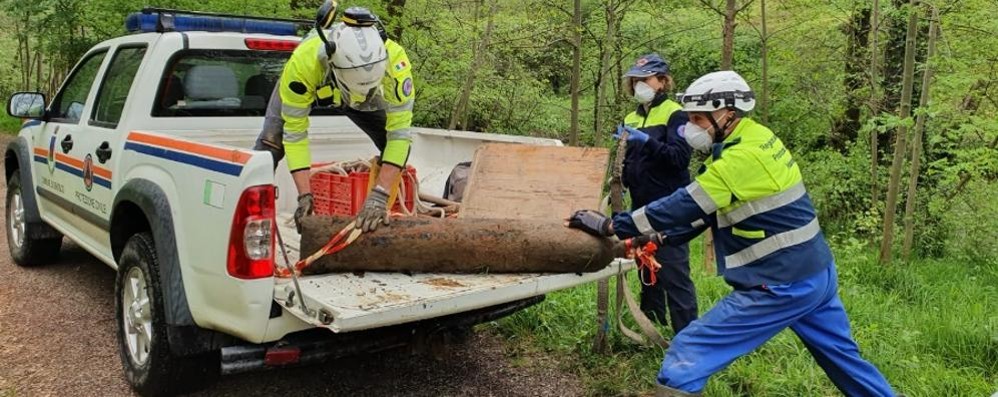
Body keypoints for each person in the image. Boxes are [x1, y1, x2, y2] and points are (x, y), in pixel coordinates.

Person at [568, 71, 897, 396]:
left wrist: (614, 225)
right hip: (816, 274)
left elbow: (686, 204)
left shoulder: (741, 158)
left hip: (781, 283)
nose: (689, 129)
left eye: (698, 119)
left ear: (728, 113)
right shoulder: (756, 138)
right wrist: (659, 239)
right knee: (847, 365)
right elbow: (713, 212)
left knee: (687, 354)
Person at [254, 2, 415, 233]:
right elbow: (295, 133)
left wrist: (379, 196)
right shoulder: (304, 64)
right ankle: (253, 224)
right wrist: (304, 195)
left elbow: (399, 134)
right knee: (270, 144)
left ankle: (375, 217)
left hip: (367, 98)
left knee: (398, 146)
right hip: (323, 86)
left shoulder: (396, 65)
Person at [613, 53, 696, 333]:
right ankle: (651, 328)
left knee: (674, 273)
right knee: (647, 269)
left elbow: (678, 158)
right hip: (640, 205)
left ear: (662, 81)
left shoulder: (676, 113)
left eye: (644, 79)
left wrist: (647, 142)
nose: (638, 85)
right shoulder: (631, 117)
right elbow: (628, 162)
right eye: (634, 80)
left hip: (671, 206)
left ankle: (687, 340)